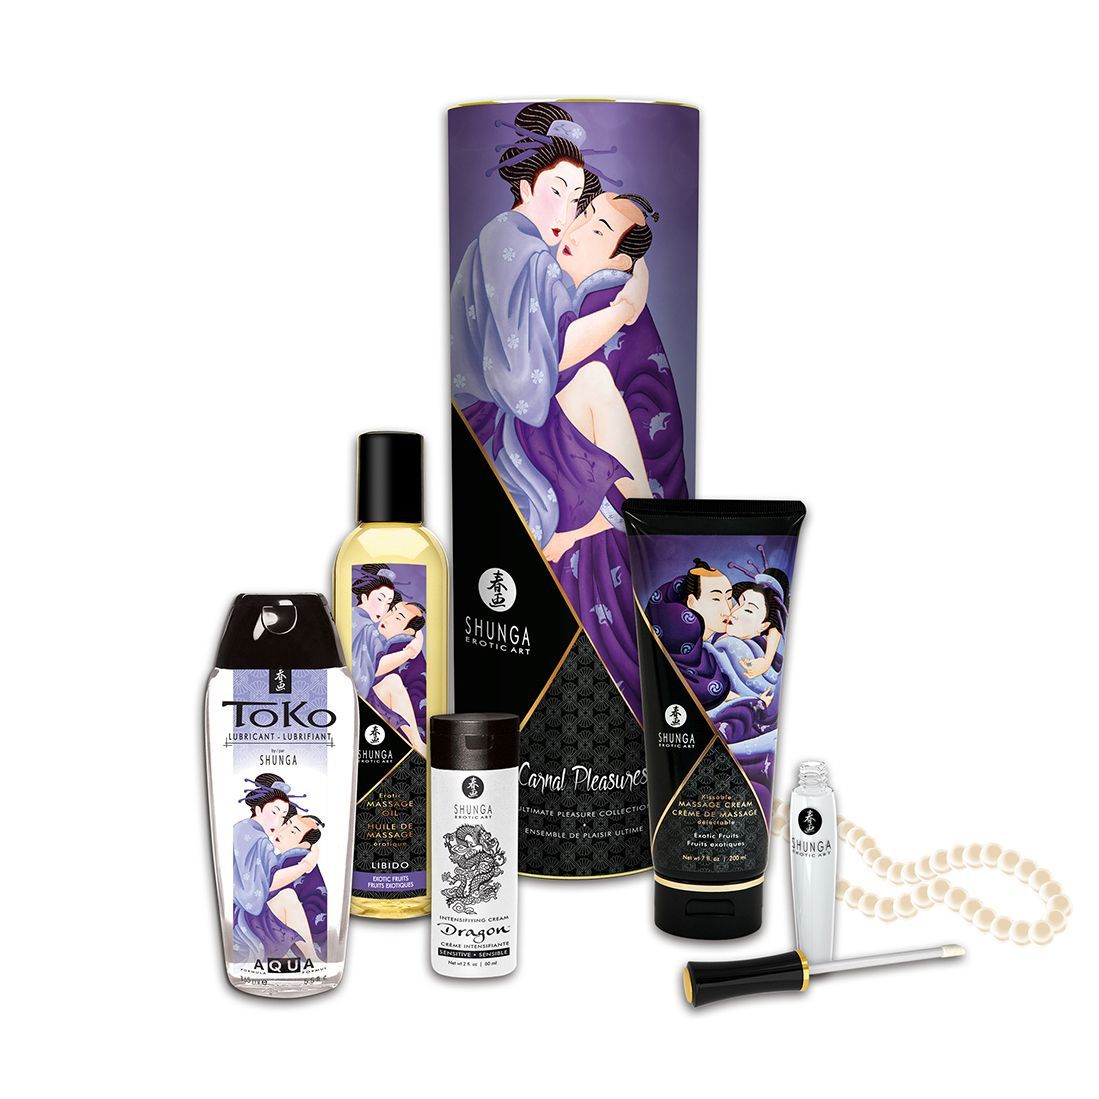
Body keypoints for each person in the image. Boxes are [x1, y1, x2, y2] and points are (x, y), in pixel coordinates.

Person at [452, 102, 649, 545]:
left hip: (502, 413)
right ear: (525, 185)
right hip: (493, 426)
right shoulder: (514, 243)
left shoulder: (522, 243)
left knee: (600, 387)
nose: (566, 212)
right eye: (556, 191)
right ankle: (651, 533)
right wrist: (625, 309)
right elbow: (545, 360)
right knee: (596, 382)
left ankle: (640, 527)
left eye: (575, 199)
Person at [232, 774, 322, 964]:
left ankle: (311, 958)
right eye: (274, 812)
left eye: (283, 816)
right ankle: (312, 959)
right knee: (288, 897)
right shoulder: (258, 839)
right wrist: (306, 865)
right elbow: (267, 884)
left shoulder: (244, 829)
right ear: (258, 809)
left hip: (241, 912)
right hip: (246, 918)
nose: (278, 822)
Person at [272, 810, 328, 961]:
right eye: (286, 824)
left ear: (304, 845)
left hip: (310, 926)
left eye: (293, 831)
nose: (282, 831)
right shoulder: (286, 858)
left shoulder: (295, 860)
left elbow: (269, 887)